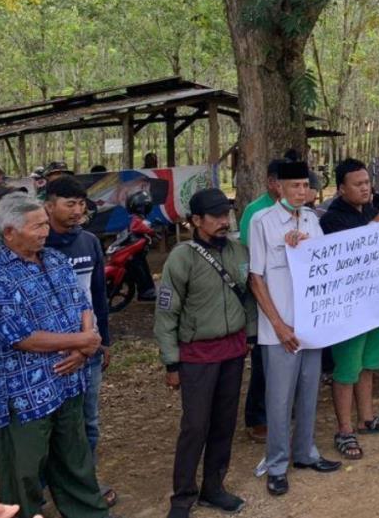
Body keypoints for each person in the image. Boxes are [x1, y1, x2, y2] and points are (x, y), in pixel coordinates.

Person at [0, 193, 112, 518]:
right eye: (36, 226)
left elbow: (81, 303)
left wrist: (84, 348)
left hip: (67, 384)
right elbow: (21, 338)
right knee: (23, 475)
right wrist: (84, 339)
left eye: (44, 224)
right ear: (9, 232)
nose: (45, 231)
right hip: (23, 395)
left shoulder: (54, 259)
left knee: (75, 462)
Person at [154, 188, 256, 518]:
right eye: (216, 217)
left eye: (226, 215)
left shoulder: (239, 252)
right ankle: (183, 496)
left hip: (233, 350)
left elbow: (250, 299)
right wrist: (171, 361)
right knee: (195, 426)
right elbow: (166, 313)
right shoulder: (182, 258)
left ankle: (214, 487)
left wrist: (251, 337)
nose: (224, 222)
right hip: (197, 355)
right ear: (196, 221)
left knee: (224, 423)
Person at [248, 161, 341, 497]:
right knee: (278, 399)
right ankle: (276, 465)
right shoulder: (263, 223)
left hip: (311, 326)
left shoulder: (313, 221)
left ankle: (305, 453)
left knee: (309, 393)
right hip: (280, 331)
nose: (302, 191)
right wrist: (278, 324)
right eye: (295, 186)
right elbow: (255, 278)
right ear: (278, 188)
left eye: (305, 185)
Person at [319, 159, 379, 459]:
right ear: (341, 188)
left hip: (376, 305)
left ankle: (366, 418)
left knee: (369, 364)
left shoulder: (372, 211)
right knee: (346, 371)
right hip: (348, 311)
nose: (366, 187)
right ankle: (344, 430)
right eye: (358, 184)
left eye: (367, 182)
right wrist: (374, 227)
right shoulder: (331, 220)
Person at [43, 177, 116, 509]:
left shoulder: (89, 242)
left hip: (89, 348)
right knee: (45, 424)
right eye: (68, 204)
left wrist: (105, 341)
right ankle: (39, 489)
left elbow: (99, 294)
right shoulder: (38, 245)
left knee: (88, 421)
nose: (76, 211)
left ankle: (85, 484)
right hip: (47, 354)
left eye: (80, 204)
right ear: (48, 205)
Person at [237, 158, 287, 444]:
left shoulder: (299, 212)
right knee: (263, 359)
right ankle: (256, 418)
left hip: (289, 297)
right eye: (286, 183)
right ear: (271, 182)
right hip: (262, 295)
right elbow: (249, 258)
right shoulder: (255, 212)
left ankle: (282, 411)